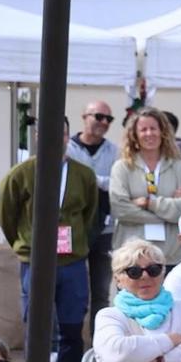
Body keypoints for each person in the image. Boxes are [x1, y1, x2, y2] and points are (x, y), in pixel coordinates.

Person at [0, 136, 98, 362]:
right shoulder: (21, 173)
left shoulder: (83, 174)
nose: (56, 139)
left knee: (73, 327)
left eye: (61, 134)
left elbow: (89, 214)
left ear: (67, 138)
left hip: (72, 261)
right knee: (37, 327)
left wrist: (76, 242)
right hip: (36, 260)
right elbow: (7, 214)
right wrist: (25, 242)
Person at [108, 106, 181, 265]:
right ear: (134, 135)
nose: (149, 134)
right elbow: (120, 208)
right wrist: (168, 215)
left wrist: (150, 203)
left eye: (153, 128)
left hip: (172, 256)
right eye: (143, 129)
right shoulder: (122, 167)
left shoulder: (178, 166)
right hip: (132, 257)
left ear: (162, 132)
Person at [68, 98, 121, 318]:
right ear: (84, 117)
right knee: (71, 292)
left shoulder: (115, 151)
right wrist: (101, 181)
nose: (103, 122)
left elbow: (118, 185)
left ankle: (99, 343)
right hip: (73, 231)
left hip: (105, 231)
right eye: (98, 116)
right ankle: (65, 346)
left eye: (108, 118)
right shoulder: (68, 148)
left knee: (101, 292)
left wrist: (89, 179)